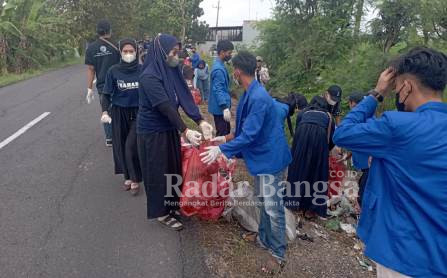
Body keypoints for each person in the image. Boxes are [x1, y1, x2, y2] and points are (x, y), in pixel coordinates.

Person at [333, 47, 447, 278]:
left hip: (404, 254)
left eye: (396, 87)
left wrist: (376, 93)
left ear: (407, 87)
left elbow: (342, 134)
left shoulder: (398, 126)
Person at [201, 51, 292, 273]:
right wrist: (223, 139)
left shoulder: (258, 96)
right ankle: (263, 238)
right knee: (262, 201)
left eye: (234, 70)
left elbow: (249, 135)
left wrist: (222, 149)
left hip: (271, 159)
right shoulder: (249, 92)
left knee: (273, 208)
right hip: (263, 158)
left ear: (238, 71)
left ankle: (278, 253)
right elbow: (242, 131)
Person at [137, 34, 213, 231]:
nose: (175, 56)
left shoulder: (170, 71)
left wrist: (200, 120)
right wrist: (185, 130)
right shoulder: (149, 76)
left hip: (169, 129)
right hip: (153, 131)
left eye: (177, 52)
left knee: (173, 169)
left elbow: (183, 95)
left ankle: (171, 205)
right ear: (161, 52)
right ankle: (161, 212)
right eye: (172, 52)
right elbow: (165, 106)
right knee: (158, 173)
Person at [284, 95, 336, 219]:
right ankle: (311, 209)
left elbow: (297, 131)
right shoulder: (329, 117)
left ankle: (293, 203)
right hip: (319, 142)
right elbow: (332, 138)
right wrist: (325, 152)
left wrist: (296, 151)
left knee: (298, 170)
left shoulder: (303, 113)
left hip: (301, 140)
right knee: (316, 173)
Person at [102, 38, 142, 195]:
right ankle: (127, 175)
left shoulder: (142, 70)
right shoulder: (113, 71)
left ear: (136, 51)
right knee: (120, 145)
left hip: (139, 112)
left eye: (131, 51)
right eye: (125, 51)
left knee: (130, 146)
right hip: (119, 112)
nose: (128, 54)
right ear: (120, 52)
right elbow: (106, 94)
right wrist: (105, 111)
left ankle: (134, 179)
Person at [85, 19, 120, 147]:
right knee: (120, 108)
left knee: (106, 110)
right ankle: (120, 133)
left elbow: (91, 69)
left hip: (102, 86)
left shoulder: (91, 48)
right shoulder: (117, 45)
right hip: (118, 83)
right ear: (109, 30)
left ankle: (110, 138)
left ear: (98, 32)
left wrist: (89, 88)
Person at [208, 40, 234, 136]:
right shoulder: (218, 69)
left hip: (221, 106)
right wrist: (224, 107)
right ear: (222, 52)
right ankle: (217, 150)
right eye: (229, 53)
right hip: (220, 108)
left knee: (226, 130)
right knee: (222, 133)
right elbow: (218, 89)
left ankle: (222, 150)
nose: (230, 55)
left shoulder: (221, 65)